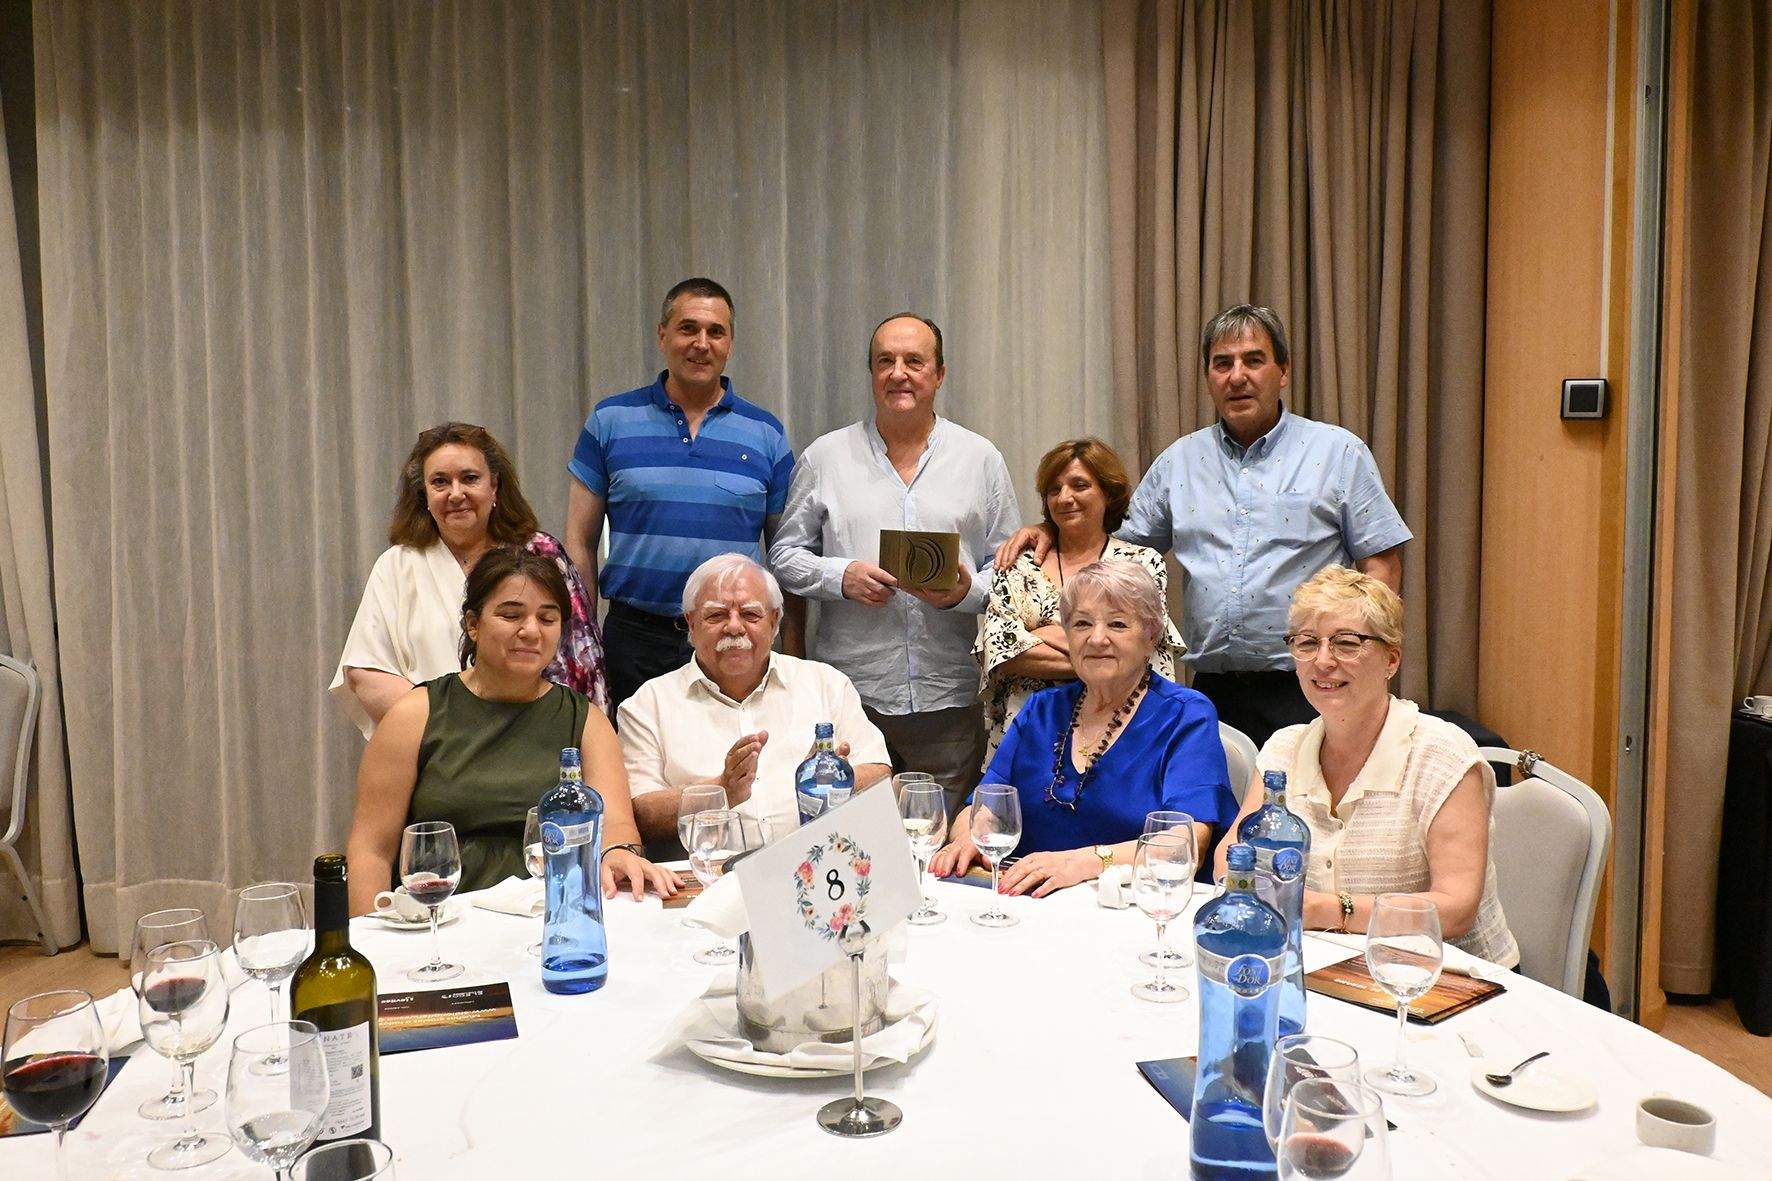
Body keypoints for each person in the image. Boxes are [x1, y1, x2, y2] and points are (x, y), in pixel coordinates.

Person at [996, 304, 1411, 747]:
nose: (1237, 376)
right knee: (1225, 809)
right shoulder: (1180, 462)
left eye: (1254, 360)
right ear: (1209, 377)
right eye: (1222, 363)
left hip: (1314, 681)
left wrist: (1364, 657)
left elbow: (1381, 562)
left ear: (1283, 370)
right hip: (1214, 689)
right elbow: (1113, 555)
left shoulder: (1338, 453)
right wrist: (1053, 530)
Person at [769, 312, 1020, 815]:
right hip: (851, 695)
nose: (898, 373)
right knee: (851, 843)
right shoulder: (826, 457)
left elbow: (1013, 571)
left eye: (914, 361)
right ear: (871, 373)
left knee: (939, 845)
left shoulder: (980, 459)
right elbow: (783, 556)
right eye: (885, 361)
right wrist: (840, 576)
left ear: (939, 374)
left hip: (947, 696)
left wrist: (966, 592)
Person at [1213, 565, 1518, 966]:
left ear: (1391, 660)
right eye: (1307, 643)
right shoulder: (1283, 749)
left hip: (1444, 979)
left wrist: (1325, 910)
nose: (1323, 661)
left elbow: (1455, 908)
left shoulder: (1442, 755)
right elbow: (1228, 860)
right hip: (1325, 967)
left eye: (1346, 644)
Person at [345, 547, 675, 910]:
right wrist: (371, 941)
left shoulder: (586, 720)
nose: (531, 631)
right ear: (473, 624)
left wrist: (620, 852)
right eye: (511, 614)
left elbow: (616, 828)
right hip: (440, 919)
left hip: (551, 914)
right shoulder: (415, 714)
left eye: (547, 619)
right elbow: (371, 851)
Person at [930, 561, 1237, 897]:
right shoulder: (1042, 709)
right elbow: (986, 804)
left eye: (1117, 624)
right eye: (1081, 624)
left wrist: (1080, 864)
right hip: (1032, 901)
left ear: (1151, 637)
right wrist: (969, 839)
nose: (1097, 638)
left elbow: (1184, 842)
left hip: (1136, 906)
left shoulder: (1185, 715)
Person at [565, 277, 799, 710]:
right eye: (688, 328)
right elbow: (579, 540)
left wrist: (794, 647)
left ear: (730, 343)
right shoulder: (610, 420)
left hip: (733, 640)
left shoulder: (766, 433)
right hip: (633, 640)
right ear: (663, 335)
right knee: (634, 769)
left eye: (716, 332)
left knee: (732, 762)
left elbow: (786, 554)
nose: (701, 343)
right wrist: (584, 637)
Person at [331, 422, 607, 737]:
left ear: (495, 487)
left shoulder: (541, 555)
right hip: (430, 748)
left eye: (470, 478)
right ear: (424, 494)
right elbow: (366, 672)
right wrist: (453, 734)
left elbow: (583, 669)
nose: (456, 493)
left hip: (535, 744)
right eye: (440, 482)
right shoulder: (397, 565)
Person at [619, 554, 892, 840]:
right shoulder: (647, 705)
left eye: (750, 615)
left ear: (774, 621)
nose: (734, 627)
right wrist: (721, 791)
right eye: (716, 615)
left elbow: (879, 772)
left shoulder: (826, 683)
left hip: (816, 865)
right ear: (691, 622)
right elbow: (642, 811)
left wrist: (828, 780)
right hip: (709, 875)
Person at [977, 438, 1184, 756]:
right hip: (1026, 736)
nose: (1065, 498)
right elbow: (1004, 654)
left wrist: (1042, 635)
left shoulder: (1141, 564)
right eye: (1054, 489)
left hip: (1116, 737)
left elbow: (1143, 654)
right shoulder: (1017, 564)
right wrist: (1105, 656)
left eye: (1079, 485)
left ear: (1109, 494)